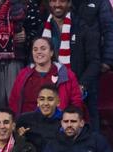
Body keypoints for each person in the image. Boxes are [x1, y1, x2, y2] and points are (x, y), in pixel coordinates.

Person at [40, 0, 101, 129]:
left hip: (79, 88)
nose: (57, 5)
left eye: (61, 1)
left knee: (88, 132)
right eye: (53, 1)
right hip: (50, 89)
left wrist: (81, 86)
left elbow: (94, 62)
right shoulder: (43, 28)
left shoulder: (83, 27)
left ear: (69, 3)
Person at [9, 37, 83, 116]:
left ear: (51, 52)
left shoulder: (67, 75)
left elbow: (76, 102)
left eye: (43, 49)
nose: (39, 52)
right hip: (28, 123)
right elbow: (14, 101)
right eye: (35, 49)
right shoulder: (23, 74)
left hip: (57, 123)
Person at [0, 0, 29, 109]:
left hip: (16, 55)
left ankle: (15, 123)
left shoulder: (24, 3)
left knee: (14, 98)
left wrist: (26, 34)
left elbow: (34, 28)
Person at [17, 84, 62, 152]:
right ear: (38, 101)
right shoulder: (24, 119)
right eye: (42, 99)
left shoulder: (65, 121)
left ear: (58, 102)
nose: (45, 103)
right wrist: (19, 137)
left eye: (50, 99)